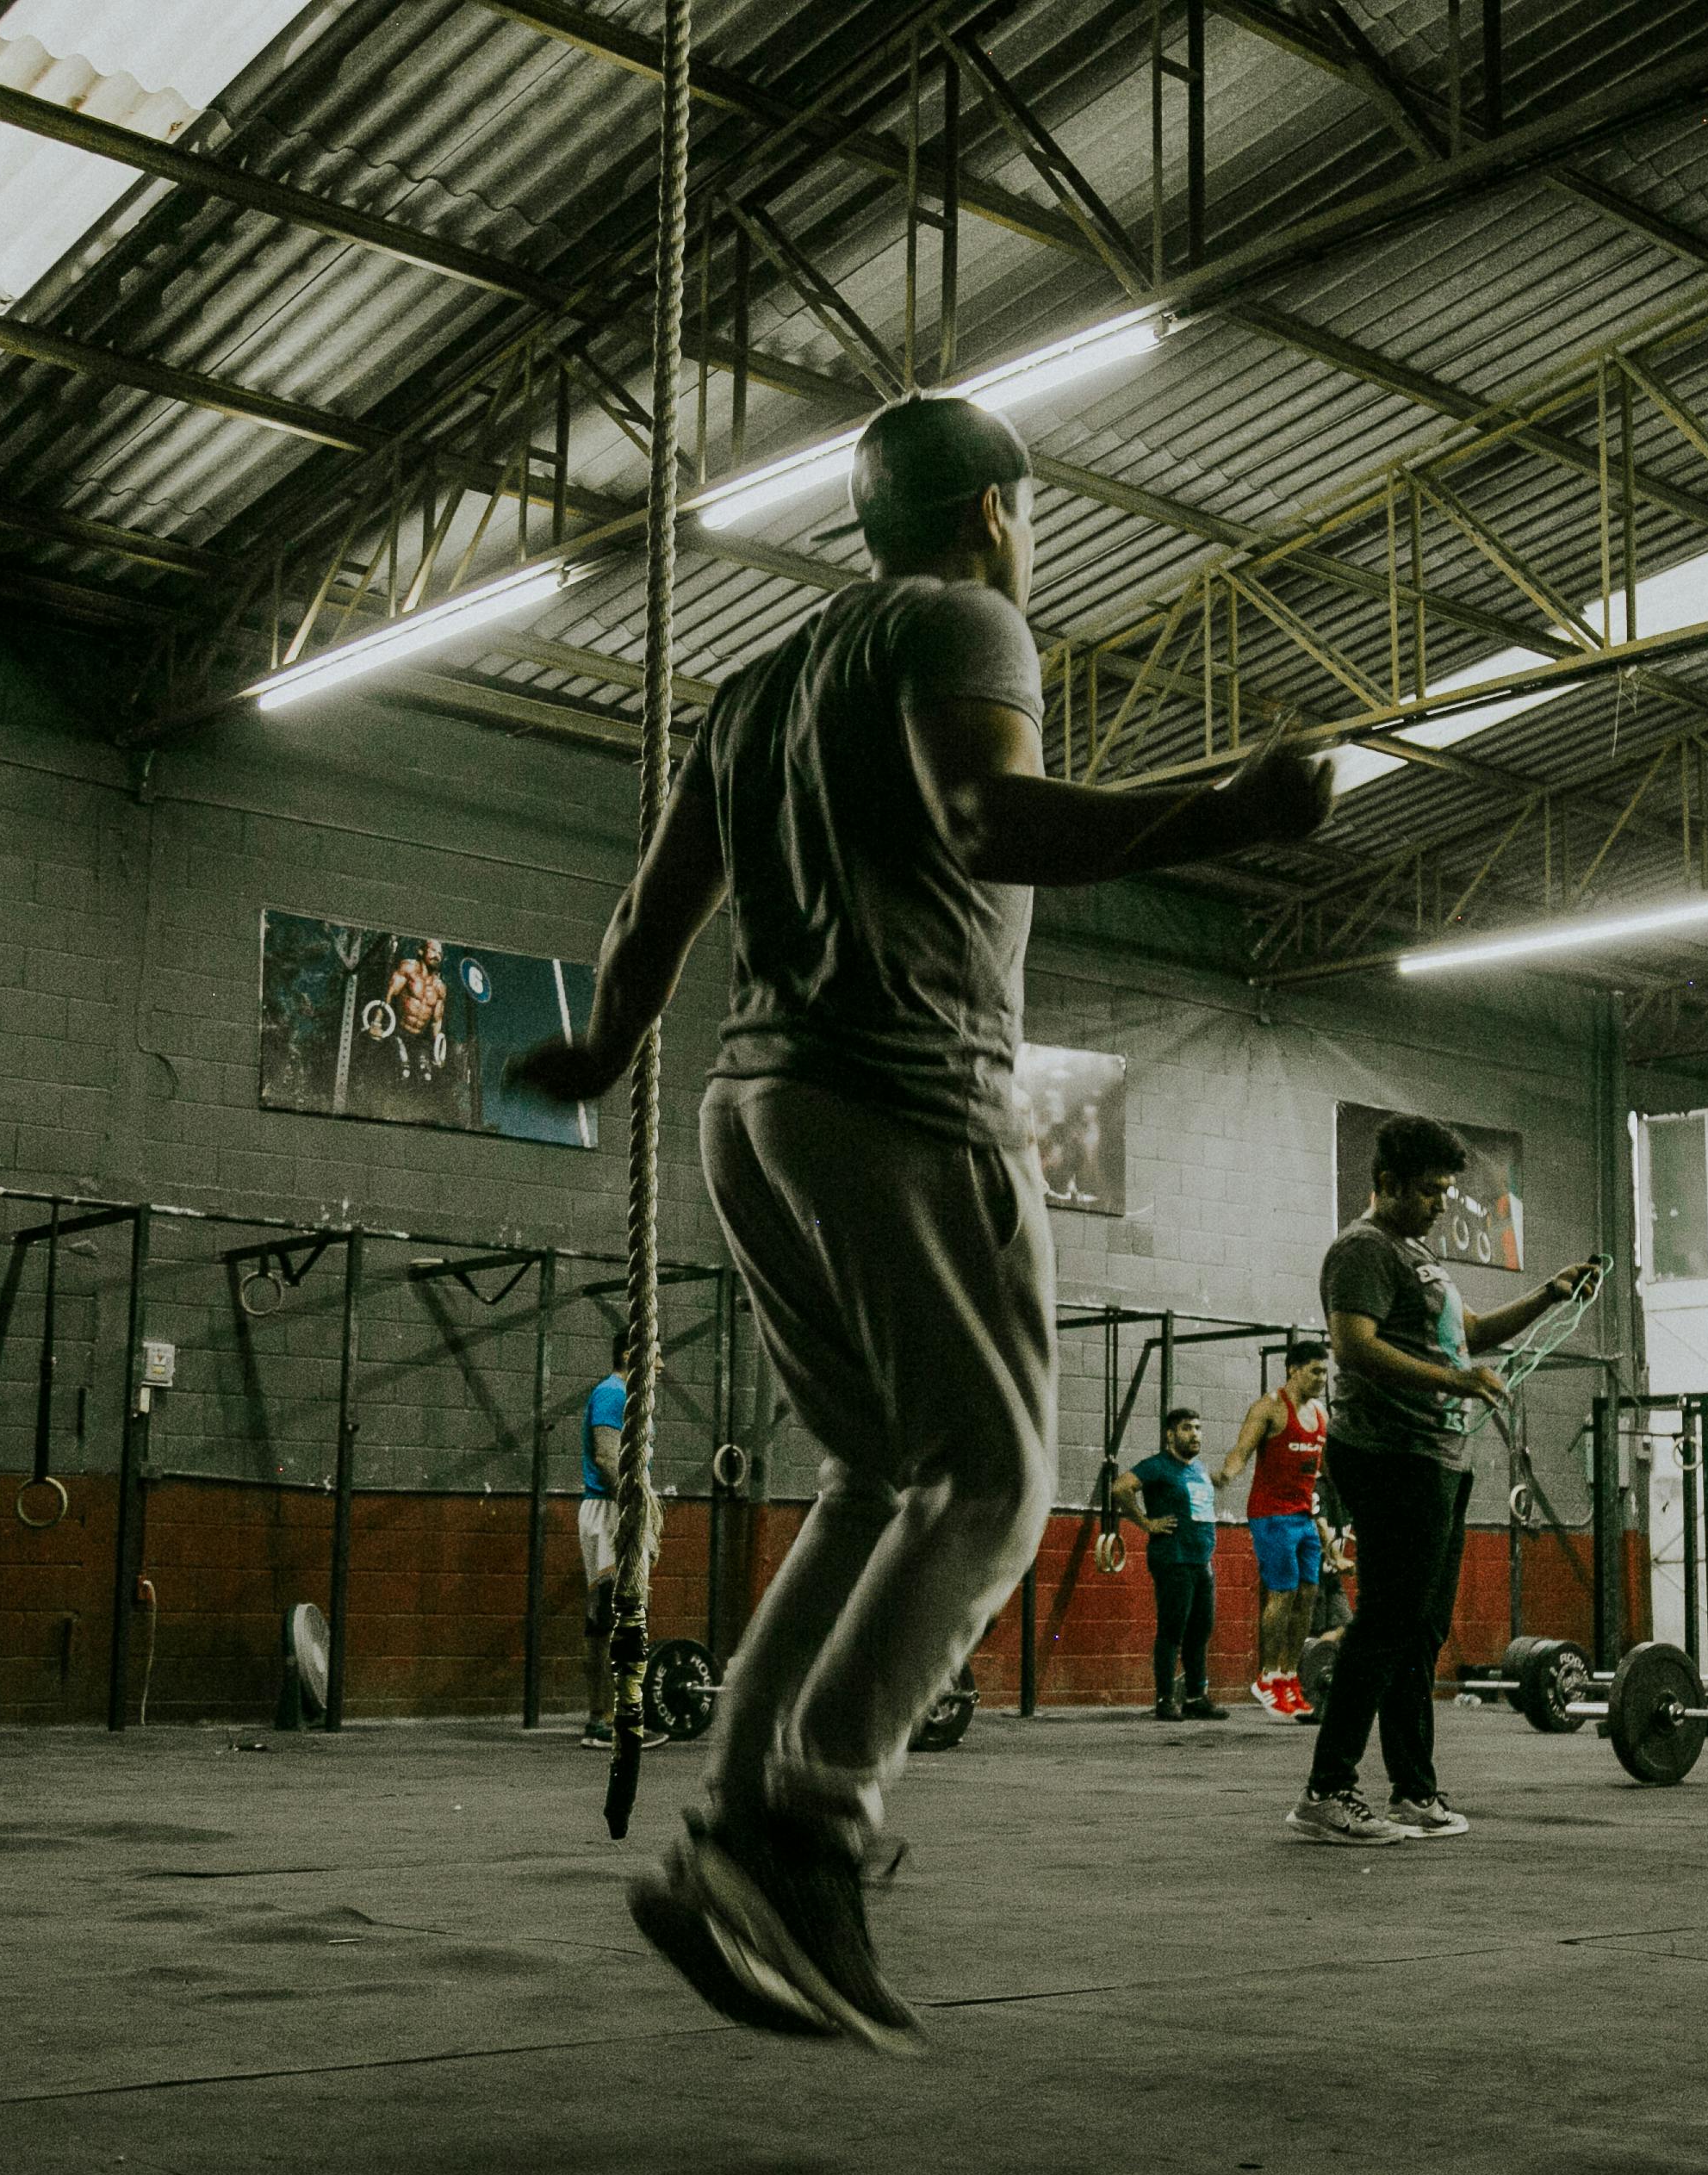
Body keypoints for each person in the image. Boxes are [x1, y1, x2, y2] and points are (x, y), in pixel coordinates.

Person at [512, 394, 1332, 2049]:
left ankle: (735, 1821)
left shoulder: (752, 688)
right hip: (900, 1087)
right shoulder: (968, 620)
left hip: (751, 1108)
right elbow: (985, 819)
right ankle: (805, 1828)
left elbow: (653, 904)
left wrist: (600, 1043)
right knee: (996, 1476)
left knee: (880, 1476)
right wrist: (1230, 813)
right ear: (994, 511)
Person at [1290, 1113, 1596, 1846]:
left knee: (1420, 1629)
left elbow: (1474, 1333)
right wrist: (1455, 1383)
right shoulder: (1362, 1250)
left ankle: (1413, 1792)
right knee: (1387, 1620)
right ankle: (1327, 1791)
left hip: (1437, 1458)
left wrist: (1549, 1294)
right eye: (1428, 1191)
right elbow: (1354, 1348)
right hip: (1388, 1454)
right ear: (1387, 1183)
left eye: (1445, 1192)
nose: (1440, 1203)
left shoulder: (1416, 1254)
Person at [1219, 1340, 1331, 1720]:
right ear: (1293, 1369)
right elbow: (1241, 1451)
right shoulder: (1268, 1408)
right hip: (1270, 1516)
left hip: (1303, 1517)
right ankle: (1266, 1678)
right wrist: (1228, 1473)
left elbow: (1328, 1469)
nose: (1322, 1378)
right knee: (1281, 1595)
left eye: (1325, 1371)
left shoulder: (1321, 1414)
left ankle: (1289, 1674)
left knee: (1309, 1594)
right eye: (1315, 1370)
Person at [575, 1334, 668, 1752]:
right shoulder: (614, 1393)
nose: (661, 1366)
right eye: (656, 1355)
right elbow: (607, 1457)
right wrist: (639, 1504)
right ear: (631, 1356)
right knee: (615, 1618)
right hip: (610, 1511)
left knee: (615, 1618)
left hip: (618, 1510)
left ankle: (609, 1719)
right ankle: (608, 1722)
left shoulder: (626, 1395)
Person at [1114, 1408, 1225, 1722]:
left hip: (1201, 1561)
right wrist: (1146, 1523)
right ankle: (1165, 1699)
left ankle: (1195, 1698)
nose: (1195, 1434)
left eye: (1199, 1428)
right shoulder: (1158, 1466)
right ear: (1170, 1434)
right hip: (1173, 1560)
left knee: (1199, 1632)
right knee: (1172, 1631)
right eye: (1187, 1428)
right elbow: (1121, 1487)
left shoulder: (1199, 1469)